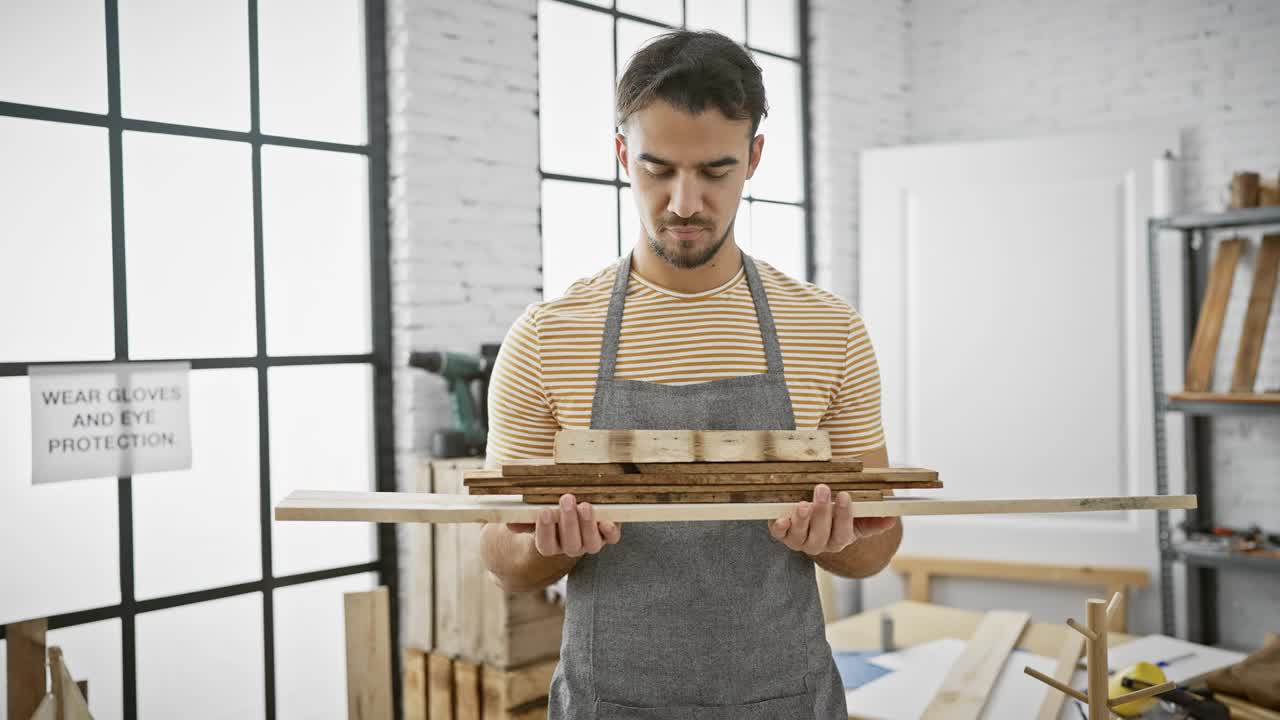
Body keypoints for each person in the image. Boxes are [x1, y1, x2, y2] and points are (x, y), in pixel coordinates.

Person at [479, 29, 900, 719]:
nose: (682, 202)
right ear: (622, 154)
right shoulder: (547, 337)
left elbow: (881, 543)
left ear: (754, 157)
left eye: (713, 171)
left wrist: (844, 537)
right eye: (657, 168)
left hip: (783, 702)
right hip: (609, 705)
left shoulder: (830, 332)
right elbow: (500, 554)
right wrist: (546, 549)